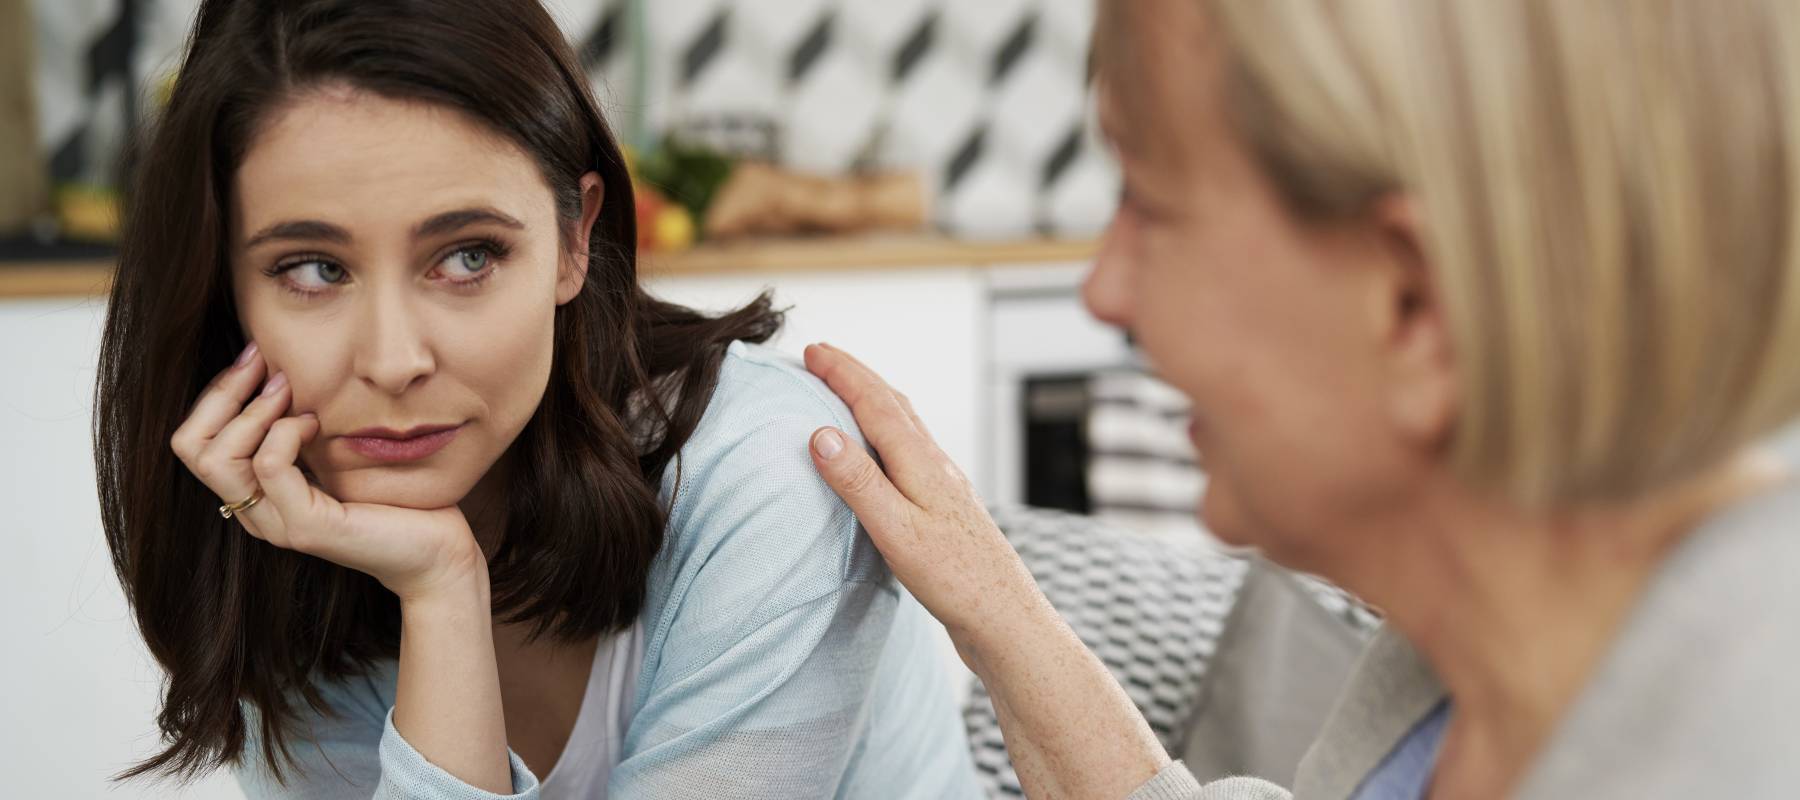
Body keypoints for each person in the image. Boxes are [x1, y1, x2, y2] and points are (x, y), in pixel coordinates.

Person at [800, 1, 1800, 798]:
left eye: (1151, 204)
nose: (1103, 290)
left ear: (1412, 304)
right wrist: (994, 609)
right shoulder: (1446, 679)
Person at [90, 1, 978, 797]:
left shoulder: (770, 478)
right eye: (314, 270)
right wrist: (440, 589)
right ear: (227, 290)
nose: (394, 362)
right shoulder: (277, 523)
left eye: (467, 256)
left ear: (573, 241)